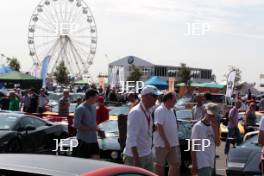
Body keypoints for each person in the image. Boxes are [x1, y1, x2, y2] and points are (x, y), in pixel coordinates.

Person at [123, 85, 159, 171]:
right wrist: (136, 160)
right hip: (135, 157)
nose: (156, 99)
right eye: (154, 96)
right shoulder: (136, 112)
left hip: (147, 153)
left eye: (157, 96)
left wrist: (152, 128)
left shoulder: (148, 110)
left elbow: (144, 130)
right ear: (145, 96)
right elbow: (132, 138)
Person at [153, 92, 181, 176]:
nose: (175, 102)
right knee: (159, 166)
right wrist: (166, 142)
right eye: (174, 101)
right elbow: (159, 127)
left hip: (172, 144)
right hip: (162, 144)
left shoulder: (172, 110)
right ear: (168, 100)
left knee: (175, 164)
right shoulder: (160, 110)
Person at [191, 103, 220, 176]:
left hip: (211, 161)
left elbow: (218, 143)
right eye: (210, 115)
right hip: (202, 161)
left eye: (213, 115)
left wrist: (216, 130)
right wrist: (194, 164)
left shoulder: (213, 126)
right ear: (205, 112)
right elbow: (193, 146)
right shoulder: (198, 126)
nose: (211, 117)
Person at [73, 89, 100, 159]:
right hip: (83, 140)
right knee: (83, 162)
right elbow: (76, 125)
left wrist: (99, 130)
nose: (97, 99)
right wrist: (92, 128)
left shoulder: (94, 107)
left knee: (96, 159)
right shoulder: (80, 109)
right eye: (96, 97)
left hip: (93, 139)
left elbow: (93, 121)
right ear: (91, 97)